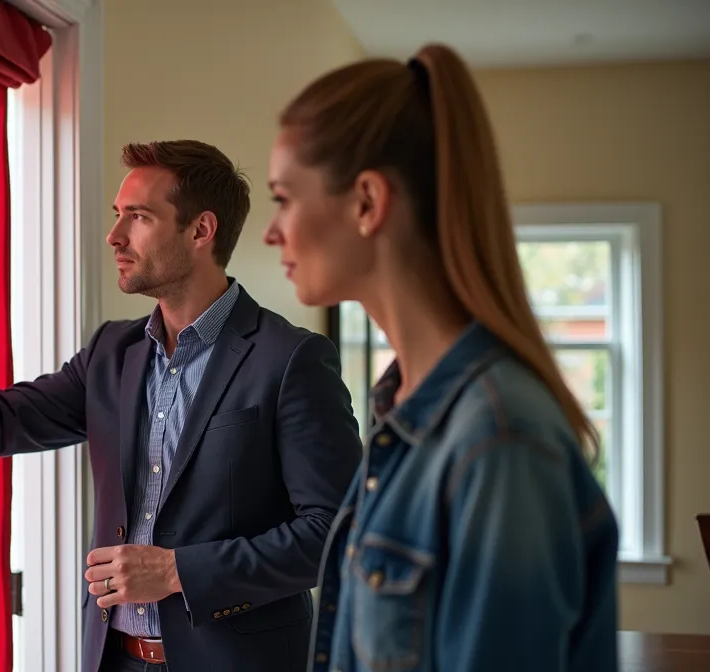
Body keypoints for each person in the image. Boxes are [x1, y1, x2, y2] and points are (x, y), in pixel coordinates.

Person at [0, 140, 362, 671]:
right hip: (114, 659)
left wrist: (178, 571)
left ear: (201, 230)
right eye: (117, 215)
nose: (115, 235)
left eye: (139, 216)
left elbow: (337, 531)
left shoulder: (290, 359)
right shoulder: (112, 352)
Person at [263, 44, 619, 672]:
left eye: (284, 198)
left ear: (368, 203)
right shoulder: (401, 415)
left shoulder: (499, 441)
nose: (272, 232)